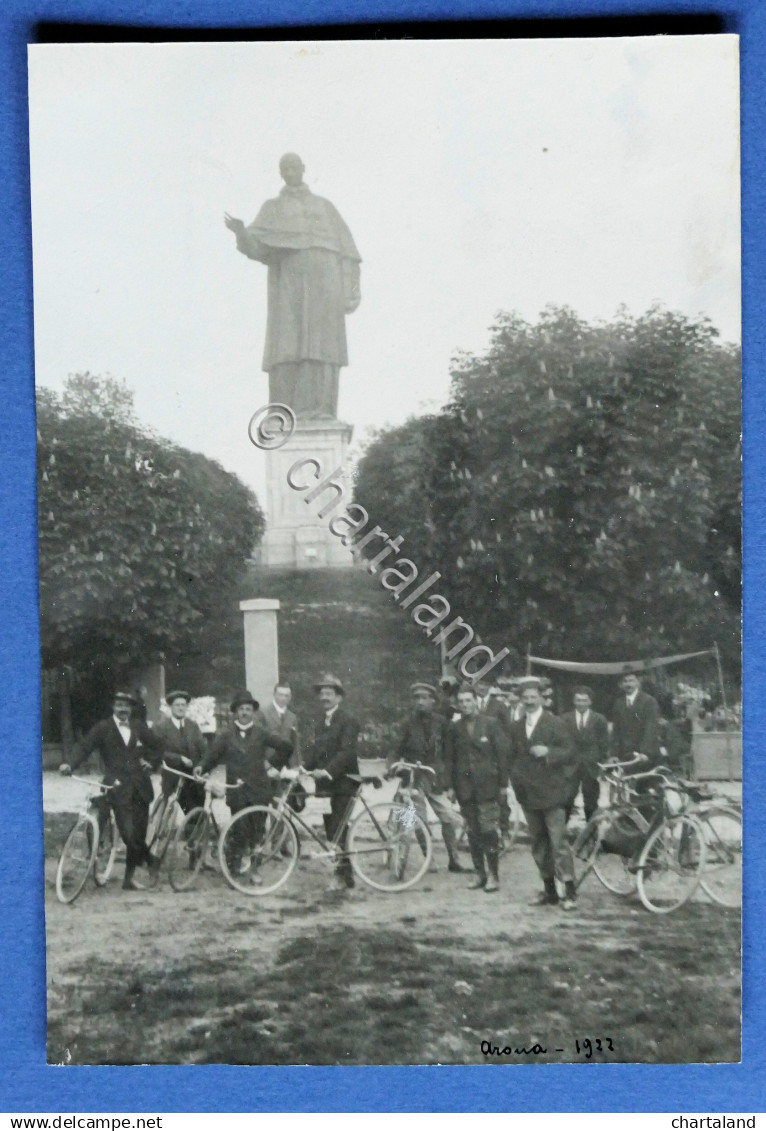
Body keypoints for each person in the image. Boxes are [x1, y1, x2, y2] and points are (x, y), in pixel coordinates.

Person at [224, 153, 361, 420]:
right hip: (289, 280)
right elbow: (257, 246)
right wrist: (241, 232)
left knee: (323, 343)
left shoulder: (324, 206)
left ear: (303, 169)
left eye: (293, 167)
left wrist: (351, 289)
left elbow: (349, 252)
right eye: (283, 168)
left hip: (326, 280)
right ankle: (283, 412)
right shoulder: (272, 208)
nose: (289, 172)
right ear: (280, 173)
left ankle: (322, 409)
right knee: (287, 342)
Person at [59, 691, 163, 891]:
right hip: (116, 787)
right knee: (128, 834)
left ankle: (129, 880)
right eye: (119, 705)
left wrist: (151, 762)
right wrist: (70, 765)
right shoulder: (103, 728)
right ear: (113, 707)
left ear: (131, 709)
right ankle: (150, 859)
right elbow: (84, 746)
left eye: (126, 706)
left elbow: (157, 745)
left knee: (139, 836)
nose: (123, 709)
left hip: (141, 787)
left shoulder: (139, 726)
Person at [199, 691, 293, 878]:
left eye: (248, 709)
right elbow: (212, 755)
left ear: (253, 712)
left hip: (259, 788)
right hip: (237, 789)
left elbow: (286, 747)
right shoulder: (225, 734)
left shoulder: (262, 732)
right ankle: (233, 869)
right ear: (235, 712)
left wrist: (271, 764)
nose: (244, 712)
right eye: (241, 709)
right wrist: (201, 768)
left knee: (257, 831)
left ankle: (254, 869)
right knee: (238, 829)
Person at [509, 682, 578, 910]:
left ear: (541, 698)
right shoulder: (517, 726)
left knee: (558, 843)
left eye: (532, 696)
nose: (528, 701)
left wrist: (549, 752)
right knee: (538, 843)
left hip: (552, 792)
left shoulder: (555, 723)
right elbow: (514, 756)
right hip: (528, 793)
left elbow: (569, 752)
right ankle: (549, 891)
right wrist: (517, 781)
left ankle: (569, 891)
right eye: (525, 697)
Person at [394, 682, 465, 874]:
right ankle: (429, 859)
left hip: (436, 778)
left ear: (433, 701)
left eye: (425, 698)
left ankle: (454, 859)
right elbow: (395, 749)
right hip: (413, 778)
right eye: (417, 698)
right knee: (417, 820)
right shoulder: (406, 723)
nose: (420, 702)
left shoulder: (443, 723)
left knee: (448, 817)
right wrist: (392, 766)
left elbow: (450, 753)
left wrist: (451, 783)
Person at [444, 685, 507, 893]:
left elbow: (501, 756)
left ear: (476, 702)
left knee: (489, 830)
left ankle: (494, 875)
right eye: (461, 702)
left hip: (488, 786)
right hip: (465, 788)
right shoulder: (454, 728)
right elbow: (450, 759)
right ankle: (479, 873)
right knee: (472, 832)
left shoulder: (491, 724)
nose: (465, 705)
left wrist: (503, 784)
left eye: (468, 700)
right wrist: (450, 786)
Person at [302, 674, 360, 890]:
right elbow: (315, 750)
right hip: (324, 785)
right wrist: (302, 767)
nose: (324, 697)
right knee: (330, 829)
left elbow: (346, 752)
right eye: (322, 694)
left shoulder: (348, 720)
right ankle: (342, 872)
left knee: (339, 829)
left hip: (343, 782)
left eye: (329, 694)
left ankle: (345, 875)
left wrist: (327, 771)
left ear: (339, 697)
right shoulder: (319, 721)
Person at [560, 686, 609, 824]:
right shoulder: (564, 719)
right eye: (578, 700)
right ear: (574, 701)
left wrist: (602, 764)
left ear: (590, 702)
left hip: (591, 766)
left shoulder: (599, 719)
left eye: (584, 700)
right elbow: (560, 742)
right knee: (566, 799)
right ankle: (560, 835)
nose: (581, 703)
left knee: (591, 802)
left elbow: (604, 743)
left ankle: (591, 837)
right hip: (570, 766)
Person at [154, 690, 207, 814]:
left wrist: (203, 768)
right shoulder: (161, 727)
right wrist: (179, 758)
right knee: (173, 814)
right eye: (177, 705)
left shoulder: (193, 726)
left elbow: (203, 750)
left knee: (195, 812)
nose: (180, 708)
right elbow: (156, 752)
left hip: (193, 778)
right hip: (173, 778)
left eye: (183, 705)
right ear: (171, 707)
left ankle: (196, 832)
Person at [610, 671, 661, 764]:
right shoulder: (619, 703)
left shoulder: (649, 701)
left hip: (645, 755)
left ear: (638, 682)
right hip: (625, 754)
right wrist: (613, 754)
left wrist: (645, 752)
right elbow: (616, 731)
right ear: (621, 684)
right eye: (625, 681)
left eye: (631, 681)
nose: (628, 684)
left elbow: (651, 728)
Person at [259, 680, 299, 766]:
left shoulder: (292, 717)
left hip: (286, 764)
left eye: (286, 696)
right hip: (269, 762)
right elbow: (258, 741)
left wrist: (296, 765)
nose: (283, 698)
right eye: (280, 695)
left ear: (290, 697)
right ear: (274, 695)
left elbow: (295, 743)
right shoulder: (263, 713)